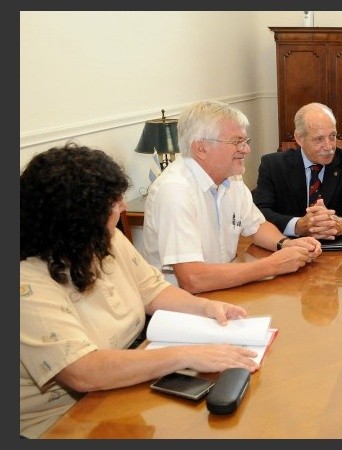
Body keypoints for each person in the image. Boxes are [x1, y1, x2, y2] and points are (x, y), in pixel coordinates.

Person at [20, 143, 261, 439]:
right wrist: (185, 355)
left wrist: (207, 308)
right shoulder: (25, 286)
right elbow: (83, 372)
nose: (122, 206)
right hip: (61, 421)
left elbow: (153, 290)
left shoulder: (106, 241)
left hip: (124, 385)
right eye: (113, 201)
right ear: (77, 216)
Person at [142, 100, 322, 294]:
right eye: (237, 142)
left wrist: (286, 244)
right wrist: (273, 265)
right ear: (201, 148)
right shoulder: (174, 191)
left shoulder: (231, 177)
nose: (246, 149)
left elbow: (256, 226)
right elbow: (192, 279)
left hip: (222, 292)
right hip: (183, 309)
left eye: (245, 141)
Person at [252, 102, 342, 240]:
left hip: (341, 250)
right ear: (299, 138)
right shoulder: (273, 166)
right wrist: (297, 226)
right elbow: (259, 213)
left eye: (332, 136)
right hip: (290, 246)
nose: (329, 146)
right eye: (319, 139)